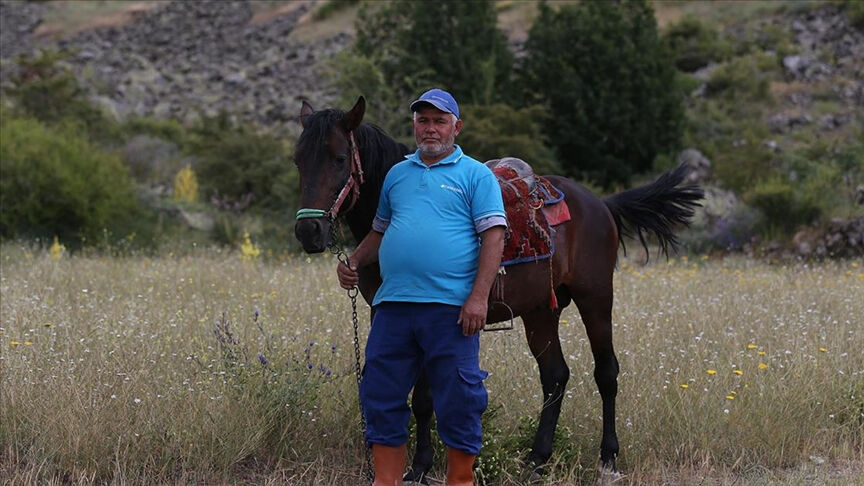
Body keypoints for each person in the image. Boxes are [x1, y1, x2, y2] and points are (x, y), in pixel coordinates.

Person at [337, 88, 506, 486]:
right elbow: (381, 230)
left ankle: (459, 481)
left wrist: (478, 298)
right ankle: (387, 481)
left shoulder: (475, 175)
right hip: (393, 305)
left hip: (450, 309)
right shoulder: (397, 175)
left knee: (459, 398)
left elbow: (494, 237)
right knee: (380, 392)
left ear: (456, 127)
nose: (430, 128)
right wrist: (355, 261)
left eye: (439, 121)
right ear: (414, 125)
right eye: (423, 121)